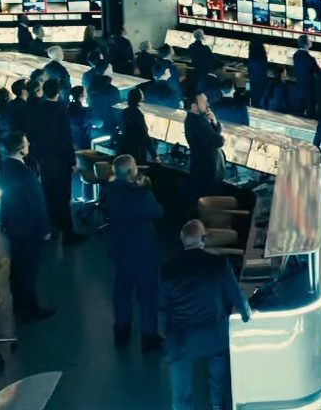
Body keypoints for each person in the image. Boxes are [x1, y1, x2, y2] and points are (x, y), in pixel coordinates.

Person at [162, 219, 251, 410]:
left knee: (181, 392)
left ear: (182, 239)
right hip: (213, 336)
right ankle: (217, 405)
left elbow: (162, 306)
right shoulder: (219, 264)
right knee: (217, 373)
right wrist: (246, 314)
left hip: (182, 338)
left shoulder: (169, 269)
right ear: (203, 239)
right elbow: (236, 296)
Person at [102, 154, 164, 350]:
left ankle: (122, 330)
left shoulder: (110, 190)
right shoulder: (140, 194)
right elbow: (157, 212)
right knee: (147, 294)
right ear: (131, 172)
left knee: (122, 291)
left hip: (120, 249)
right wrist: (144, 186)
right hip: (142, 250)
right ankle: (149, 337)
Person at [0, 131, 55, 320]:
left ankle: (19, 305)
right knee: (30, 269)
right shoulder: (26, 173)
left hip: (13, 226)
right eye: (26, 142)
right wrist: (46, 229)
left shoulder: (4, 167)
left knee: (18, 267)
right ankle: (31, 309)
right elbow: (37, 203)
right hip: (29, 228)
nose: (29, 144)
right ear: (20, 148)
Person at [27, 80, 83, 243]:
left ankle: (52, 227)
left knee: (49, 193)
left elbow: (31, 132)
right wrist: (72, 161)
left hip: (43, 158)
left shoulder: (38, 108)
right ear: (58, 92)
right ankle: (68, 233)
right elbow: (66, 138)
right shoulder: (60, 110)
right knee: (63, 195)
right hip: (59, 159)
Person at [183, 90, 224, 194]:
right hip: (206, 172)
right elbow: (218, 141)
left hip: (203, 169)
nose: (208, 104)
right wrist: (221, 138)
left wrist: (214, 121)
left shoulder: (197, 119)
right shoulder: (197, 123)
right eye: (204, 102)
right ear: (194, 106)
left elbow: (213, 136)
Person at [121, 89, 153, 165]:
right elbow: (144, 133)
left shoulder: (125, 111)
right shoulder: (137, 114)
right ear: (138, 98)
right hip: (137, 148)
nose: (143, 96)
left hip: (127, 144)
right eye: (141, 94)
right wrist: (154, 155)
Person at [291, 35, 318, 118]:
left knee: (299, 114)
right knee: (310, 115)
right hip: (309, 89)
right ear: (306, 44)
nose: (311, 41)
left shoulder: (296, 55)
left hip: (298, 87)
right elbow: (319, 73)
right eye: (309, 40)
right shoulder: (310, 59)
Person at [246, 40, 270, 109]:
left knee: (255, 95)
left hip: (254, 81)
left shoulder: (251, 58)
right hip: (262, 81)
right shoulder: (262, 58)